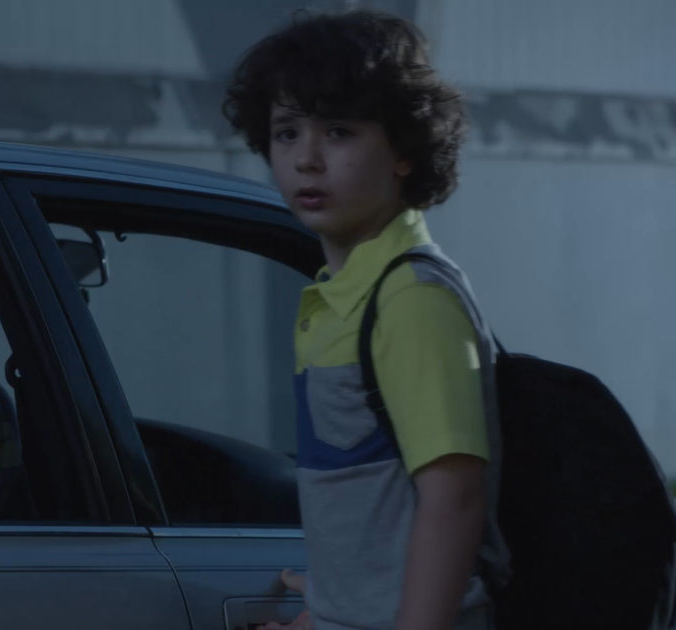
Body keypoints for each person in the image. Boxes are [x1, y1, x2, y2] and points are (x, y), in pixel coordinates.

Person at [223, 9, 509, 630]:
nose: (307, 159)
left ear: (404, 149)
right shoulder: (338, 297)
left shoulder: (412, 299)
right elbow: (374, 518)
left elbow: (454, 502)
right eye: (287, 132)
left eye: (339, 132)